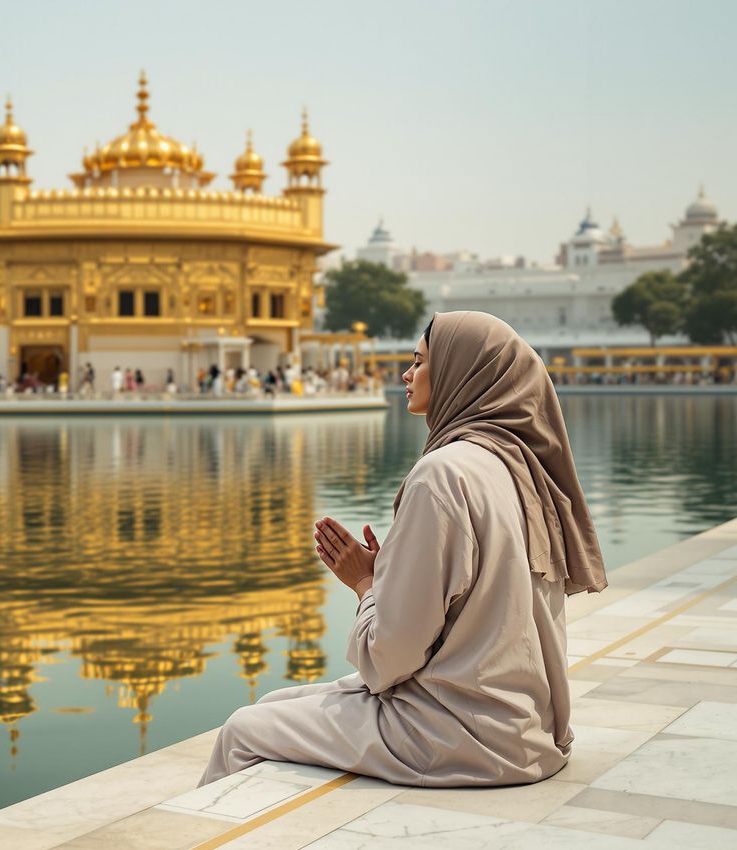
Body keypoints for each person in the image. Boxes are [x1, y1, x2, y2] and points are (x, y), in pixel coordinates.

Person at [199, 310, 608, 789]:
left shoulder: (443, 475)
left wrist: (365, 583)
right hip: (528, 727)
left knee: (241, 731)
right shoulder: (520, 467)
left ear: (461, 374)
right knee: (271, 706)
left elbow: (390, 660)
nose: (406, 374)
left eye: (419, 361)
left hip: (463, 737)